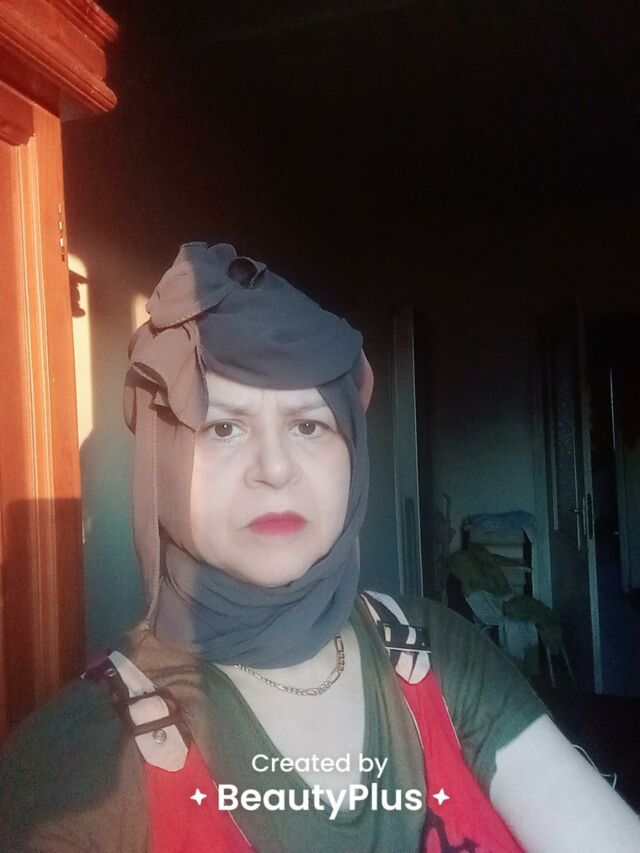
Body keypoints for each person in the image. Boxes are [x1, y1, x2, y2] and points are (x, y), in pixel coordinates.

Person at [1, 242, 639, 852]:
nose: (275, 469)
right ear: (162, 462)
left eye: (308, 425)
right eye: (223, 428)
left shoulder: (438, 652)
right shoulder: (81, 764)